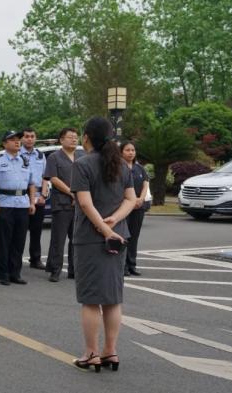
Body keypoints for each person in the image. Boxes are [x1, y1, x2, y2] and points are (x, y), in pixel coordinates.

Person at [70, 117, 135, 372]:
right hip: (119, 237)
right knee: (112, 298)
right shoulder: (122, 165)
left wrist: (105, 229)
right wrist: (114, 222)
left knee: (90, 299)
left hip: (90, 238)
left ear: (86, 137)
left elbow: (85, 204)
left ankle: (91, 353)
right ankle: (111, 351)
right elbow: (130, 200)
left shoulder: (82, 164)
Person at [0, 130, 37, 285]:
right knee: (4, 240)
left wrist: (32, 202)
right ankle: (3, 274)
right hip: (5, 204)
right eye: (13, 139)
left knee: (19, 240)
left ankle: (15, 273)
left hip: (22, 204)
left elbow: (31, 183)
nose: (17, 142)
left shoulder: (25, 161)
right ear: (4, 143)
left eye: (18, 139)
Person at [44, 127, 83, 282]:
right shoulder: (54, 157)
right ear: (61, 140)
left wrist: (79, 195)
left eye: (76, 137)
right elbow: (53, 178)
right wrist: (71, 193)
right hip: (61, 203)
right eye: (70, 137)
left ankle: (74, 270)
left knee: (76, 239)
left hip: (80, 204)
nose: (74, 139)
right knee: (58, 239)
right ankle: (55, 269)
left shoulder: (82, 156)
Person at [19, 127, 49, 270]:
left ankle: (35, 259)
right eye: (26, 136)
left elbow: (45, 177)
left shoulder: (40, 155)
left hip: (38, 197)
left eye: (32, 136)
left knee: (36, 231)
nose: (29, 139)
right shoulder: (17, 154)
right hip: (21, 196)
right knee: (19, 231)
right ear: (22, 138)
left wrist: (43, 195)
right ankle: (16, 259)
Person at [120, 141, 149, 277]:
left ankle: (132, 265)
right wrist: (130, 201)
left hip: (138, 207)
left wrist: (140, 199)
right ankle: (123, 266)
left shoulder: (139, 168)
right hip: (124, 207)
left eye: (133, 150)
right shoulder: (118, 167)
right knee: (124, 236)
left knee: (134, 236)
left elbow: (145, 184)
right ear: (121, 152)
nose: (131, 152)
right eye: (127, 150)